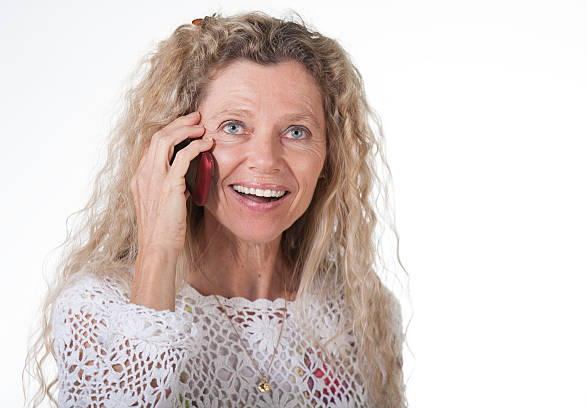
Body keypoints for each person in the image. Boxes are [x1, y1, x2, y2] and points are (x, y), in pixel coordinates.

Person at [24, 12, 407, 407]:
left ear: (329, 157)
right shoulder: (98, 309)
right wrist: (158, 252)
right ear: (180, 148)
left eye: (296, 132)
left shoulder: (363, 315)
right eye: (233, 127)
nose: (265, 160)